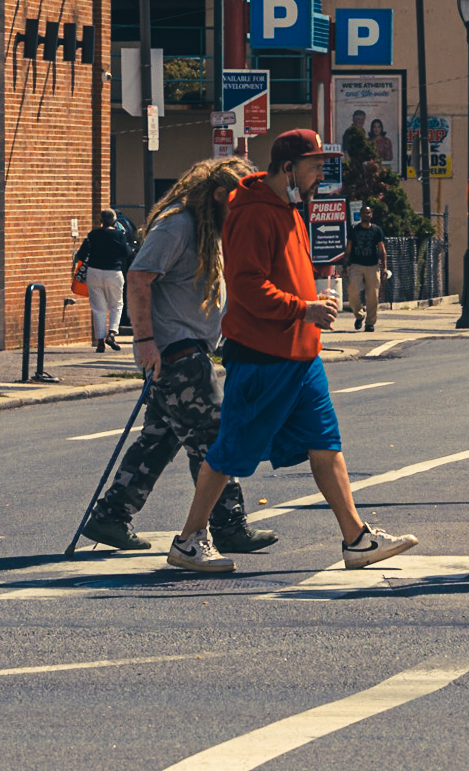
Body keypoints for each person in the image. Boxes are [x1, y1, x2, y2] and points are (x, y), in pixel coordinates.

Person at [167, 131, 421, 575]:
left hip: (302, 357)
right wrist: (304, 308)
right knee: (229, 452)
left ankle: (356, 538)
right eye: (314, 166)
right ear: (289, 169)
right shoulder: (251, 215)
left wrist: (313, 304)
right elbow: (247, 287)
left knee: (327, 444)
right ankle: (188, 541)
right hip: (263, 358)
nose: (320, 175)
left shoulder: (290, 212)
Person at [80, 159, 276, 556]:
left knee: (159, 439)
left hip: (190, 350)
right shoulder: (178, 225)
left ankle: (112, 516)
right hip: (176, 353)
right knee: (215, 438)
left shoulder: (205, 229)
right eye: (237, 201)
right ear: (219, 195)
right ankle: (229, 525)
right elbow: (138, 276)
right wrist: (145, 340)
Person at [75, 209, 133, 351]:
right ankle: (112, 333)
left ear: (101, 220)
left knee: (98, 308)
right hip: (113, 272)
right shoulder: (119, 235)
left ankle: (100, 341)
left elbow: (81, 254)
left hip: (94, 272)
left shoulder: (93, 235)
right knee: (117, 304)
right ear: (114, 221)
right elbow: (126, 253)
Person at [340, 206, 389, 333]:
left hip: (372, 265)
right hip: (356, 265)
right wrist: (345, 267)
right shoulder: (354, 230)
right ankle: (359, 315)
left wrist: (384, 268)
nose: (366, 215)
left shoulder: (376, 230)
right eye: (363, 213)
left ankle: (370, 323)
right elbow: (348, 249)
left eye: (368, 213)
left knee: (373, 295)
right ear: (360, 215)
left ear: (371, 214)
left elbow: (381, 249)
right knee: (353, 291)